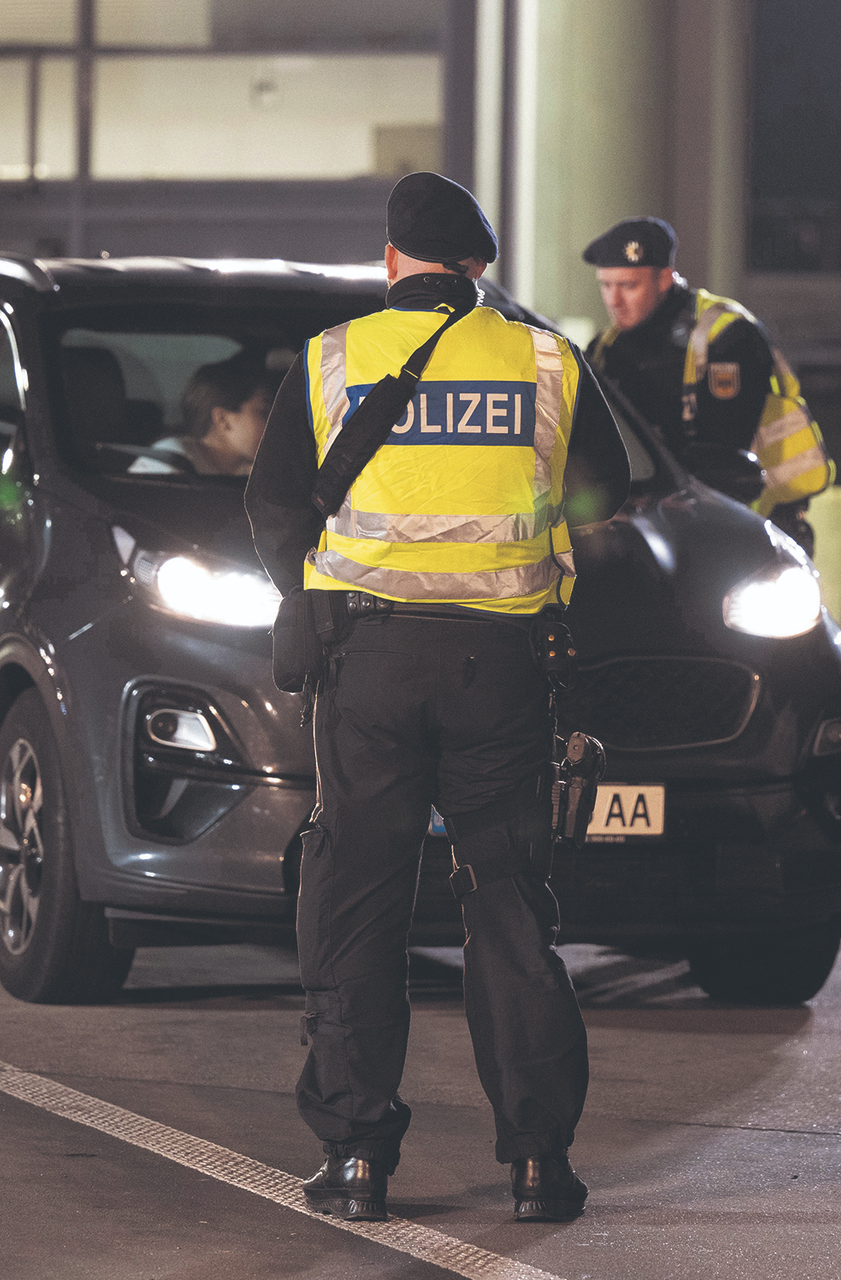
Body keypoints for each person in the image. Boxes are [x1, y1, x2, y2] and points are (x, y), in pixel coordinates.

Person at [246, 172, 632, 1224]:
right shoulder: (546, 358)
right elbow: (605, 495)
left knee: (358, 899)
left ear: (390, 264)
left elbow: (274, 507)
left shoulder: (333, 360)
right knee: (506, 902)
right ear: (477, 268)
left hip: (366, 664)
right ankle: (540, 1162)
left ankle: (359, 1157)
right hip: (503, 667)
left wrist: (321, 594)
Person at [583, 216, 831, 552]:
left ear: (665, 279)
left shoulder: (727, 336)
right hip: (654, 526)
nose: (614, 300)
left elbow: (726, 453)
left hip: (753, 523)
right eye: (605, 285)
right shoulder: (604, 349)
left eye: (628, 285)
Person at [127, 354, 273, 475]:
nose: (275, 424)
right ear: (223, 419)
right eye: (264, 413)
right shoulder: (168, 462)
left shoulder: (253, 473)